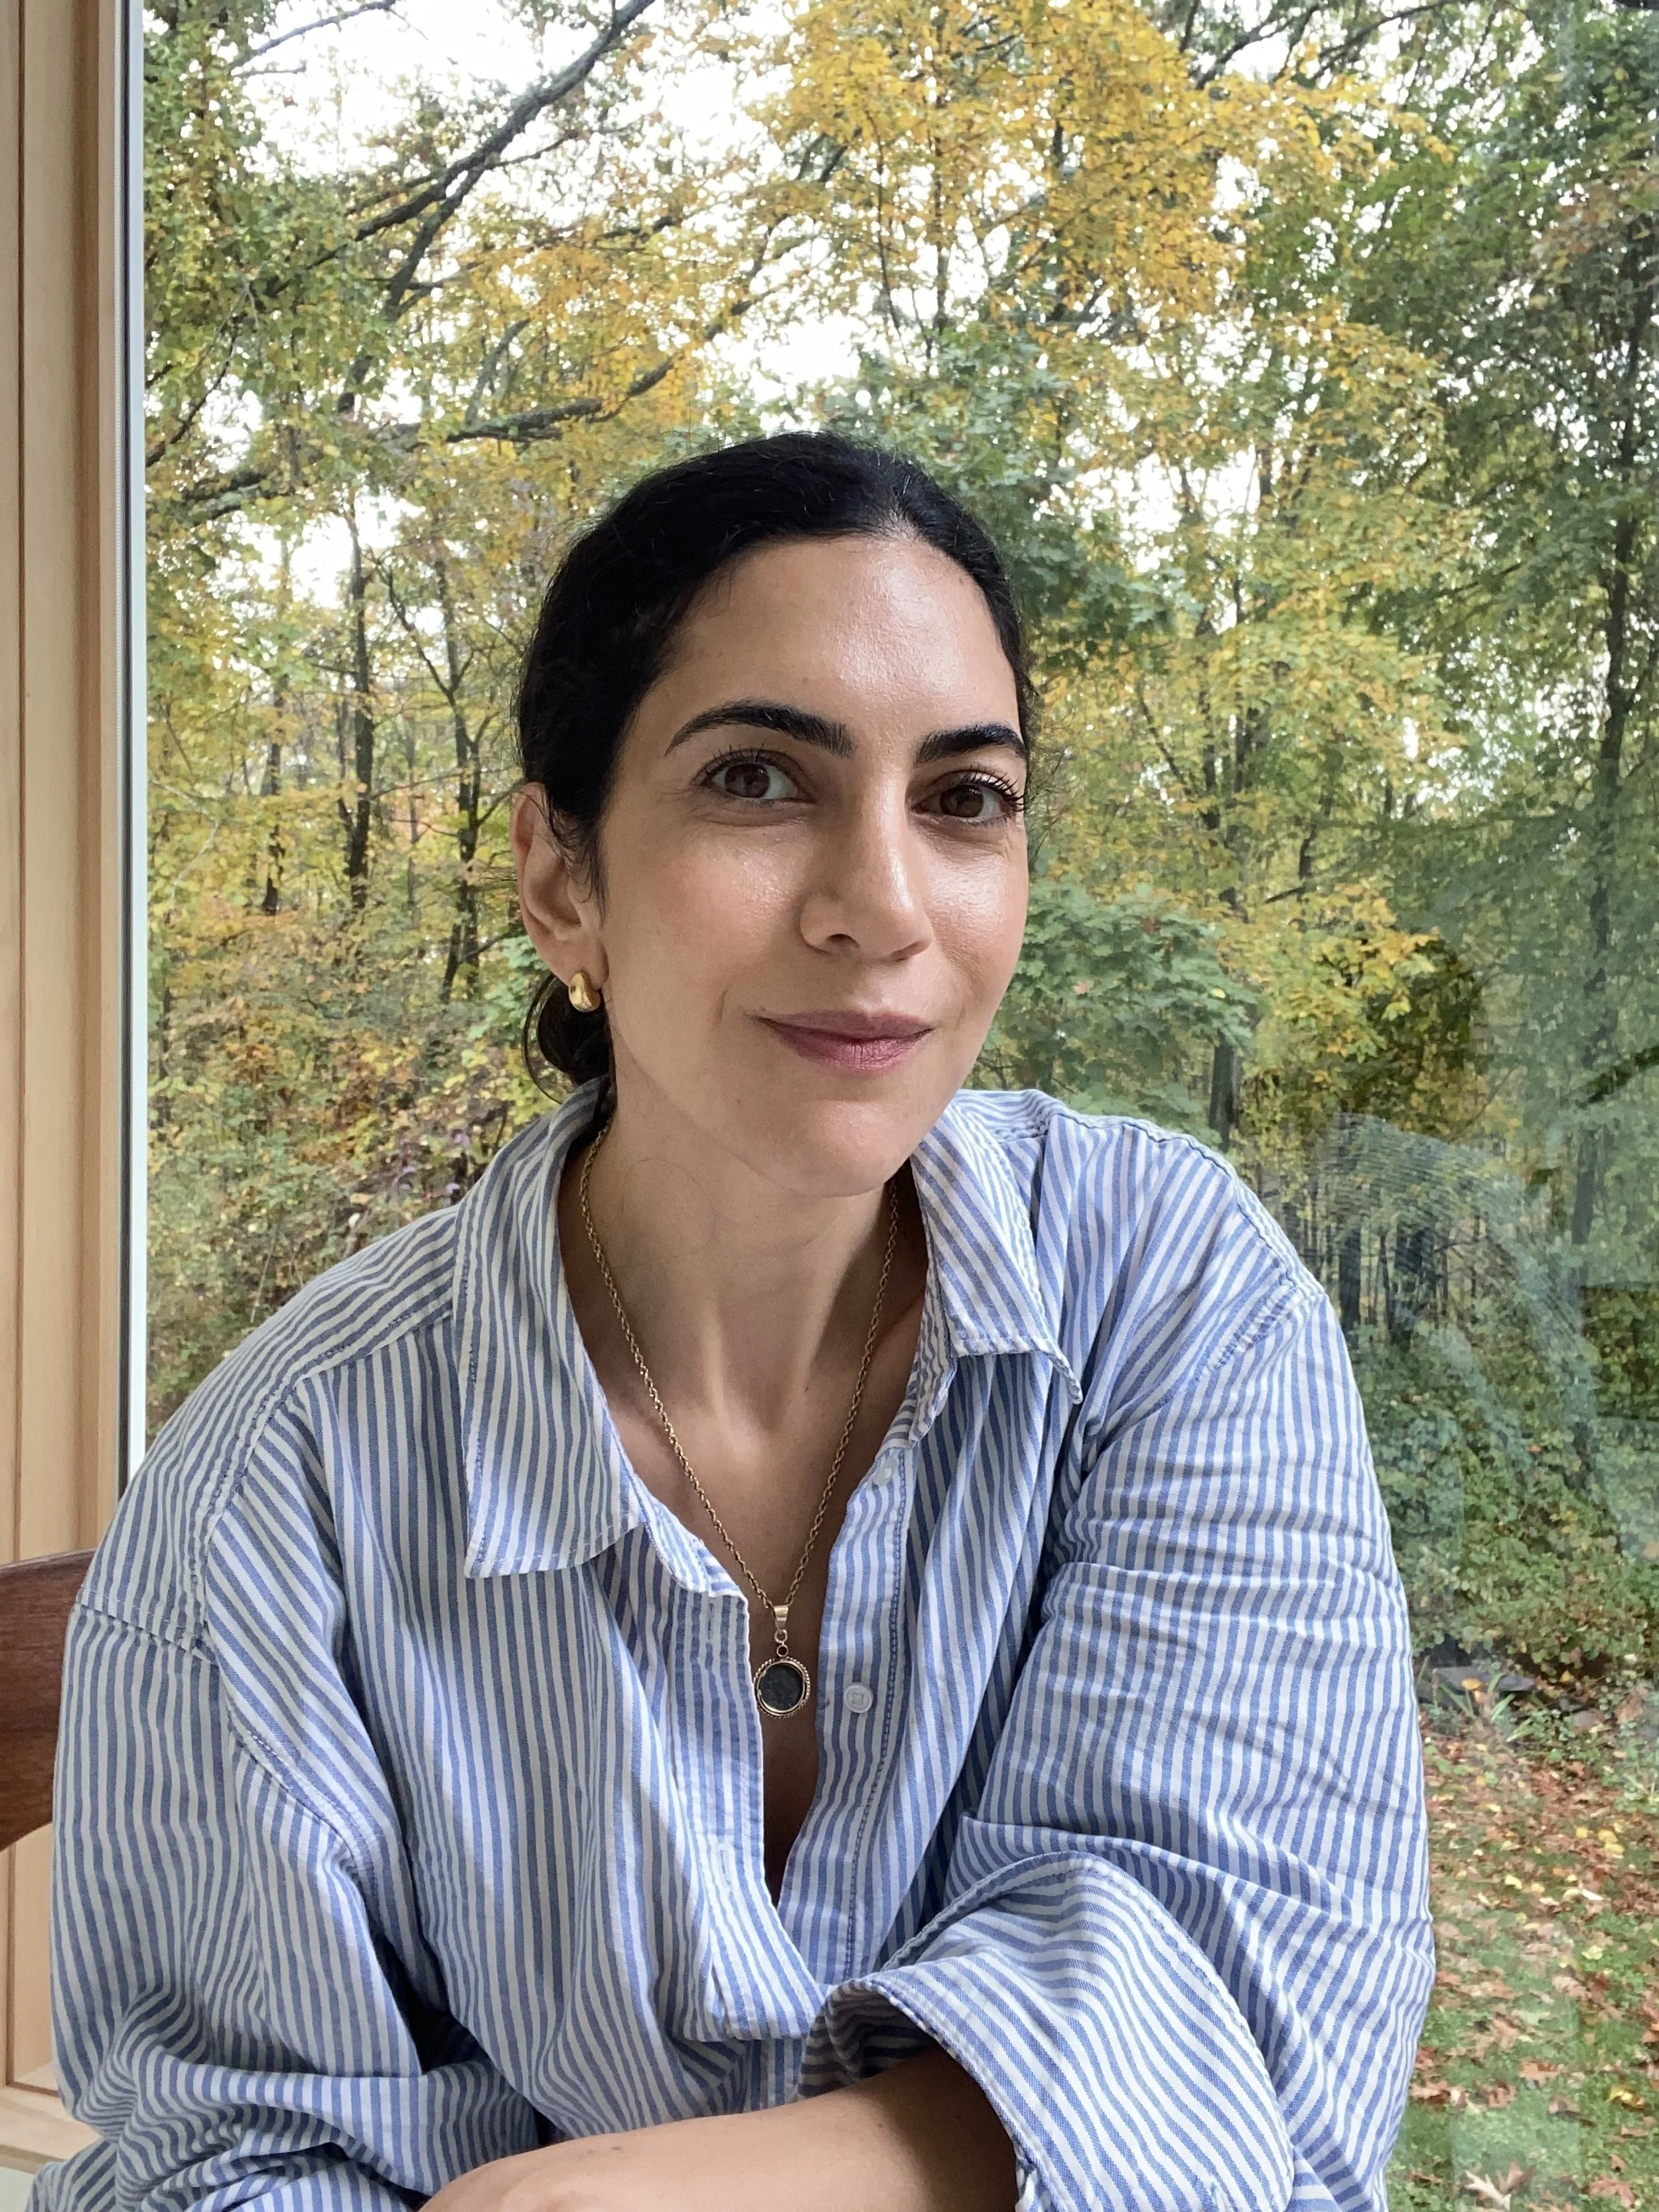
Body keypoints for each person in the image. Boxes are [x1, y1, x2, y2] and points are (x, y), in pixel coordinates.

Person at [37, 433, 1433, 2212]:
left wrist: (572, 2198)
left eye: (963, 798)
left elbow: (1248, 2017)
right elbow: (224, 2155)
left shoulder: (1173, 1296)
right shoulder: (277, 1489)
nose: (881, 905)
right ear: (559, 880)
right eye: (760, 778)